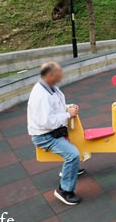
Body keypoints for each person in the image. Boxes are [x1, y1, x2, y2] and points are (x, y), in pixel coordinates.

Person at [28, 62, 85, 206]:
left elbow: (54, 108)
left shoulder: (50, 87)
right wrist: (67, 114)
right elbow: (45, 122)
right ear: (50, 75)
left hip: (54, 130)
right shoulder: (41, 95)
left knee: (77, 144)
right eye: (59, 73)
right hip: (45, 136)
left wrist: (68, 107)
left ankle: (71, 170)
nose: (61, 76)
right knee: (72, 155)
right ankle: (64, 190)